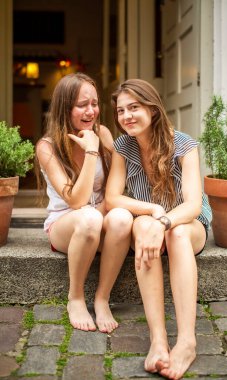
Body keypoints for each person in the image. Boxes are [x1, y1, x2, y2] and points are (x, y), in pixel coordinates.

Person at [105, 79, 212, 379]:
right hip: (150, 218)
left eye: (134, 107)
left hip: (185, 224)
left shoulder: (184, 144)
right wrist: (152, 213)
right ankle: (159, 340)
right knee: (140, 227)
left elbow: (192, 205)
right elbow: (113, 197)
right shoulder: (123, 146)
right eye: (121, 110)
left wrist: (164, 222)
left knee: (175, 233)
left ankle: (187, 342)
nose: (126, 116)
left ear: (152, 109)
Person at [36, 72, 133, 333]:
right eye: (82, 105)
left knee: (122, 218)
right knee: (89, 218)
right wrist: (91, 151)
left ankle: (102, 298)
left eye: (95, 103)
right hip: (66, 225)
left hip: (100, 217)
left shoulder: (102, 133)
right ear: (64, 107)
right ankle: (76, 297)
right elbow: (76, 201)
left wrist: (99, 142)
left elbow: (117, 183)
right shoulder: (47, 147)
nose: (91, 111)